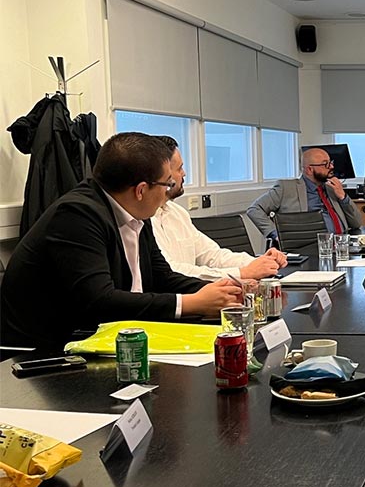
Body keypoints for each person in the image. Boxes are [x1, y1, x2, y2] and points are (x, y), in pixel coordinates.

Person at [0, 132, 243, 349]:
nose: (169, 190)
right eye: (167, 183)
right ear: (140, 190)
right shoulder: (76, 216)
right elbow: (100, 301)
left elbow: (161, 276)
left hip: (109, 338)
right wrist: (191, 303)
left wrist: (220, 291)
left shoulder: (136, 210)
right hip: (45, 355)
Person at [152, 137, 287, 281]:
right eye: (179, 168)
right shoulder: (144, 221)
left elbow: (213, 255)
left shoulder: (178, 213)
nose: (184, 174)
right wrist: (242, 273)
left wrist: (258, 262)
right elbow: (172, 271)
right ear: (164, 174)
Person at [247, 147, 363, 239]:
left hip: (341, 246)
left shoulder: (332, 188)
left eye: (330, 162)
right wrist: (276, 234)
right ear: (309, 169)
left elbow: (356, 223)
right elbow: (255, 210)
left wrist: (343, 197)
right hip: (308, 249)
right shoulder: (286, 188)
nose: (331, 167)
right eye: (325, 164)